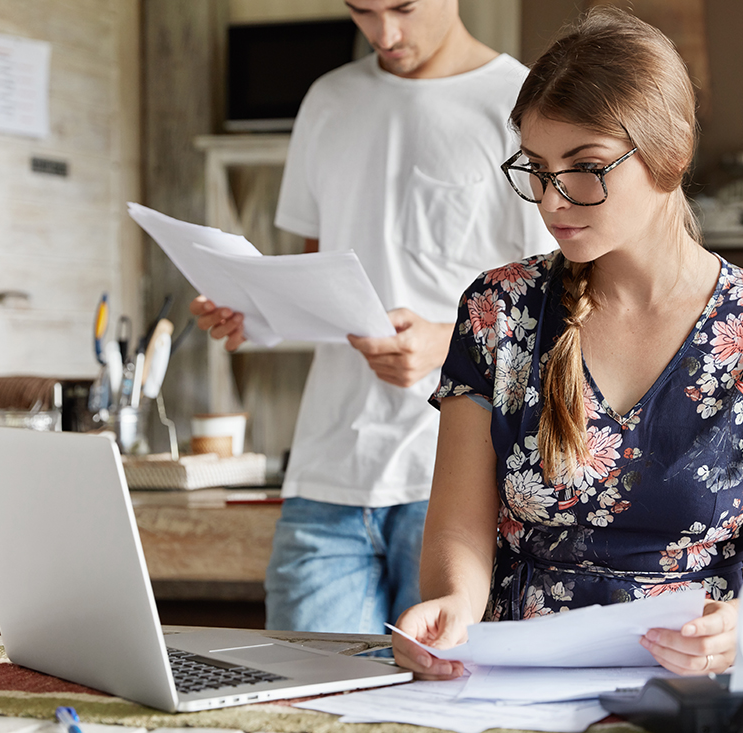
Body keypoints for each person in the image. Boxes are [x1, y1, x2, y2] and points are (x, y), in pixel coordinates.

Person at [391, 6, 743, 679]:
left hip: (696, 689)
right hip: (512, 690)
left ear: (667, 155)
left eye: (584, 166)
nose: (552, 200)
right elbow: (459, 531)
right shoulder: (497, 311)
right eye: (535, 166)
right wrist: (450, 601)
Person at [191, 0, 554, 634]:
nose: (385, 34)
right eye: (363, 10)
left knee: (445, 708)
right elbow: (316, 276)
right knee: (299, 707)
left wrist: (451, 342)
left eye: (403, 9)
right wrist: (257, 310)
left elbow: (563, 295)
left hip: (457, 476)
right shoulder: (329, 100)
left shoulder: (522, 102)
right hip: (328, 471)